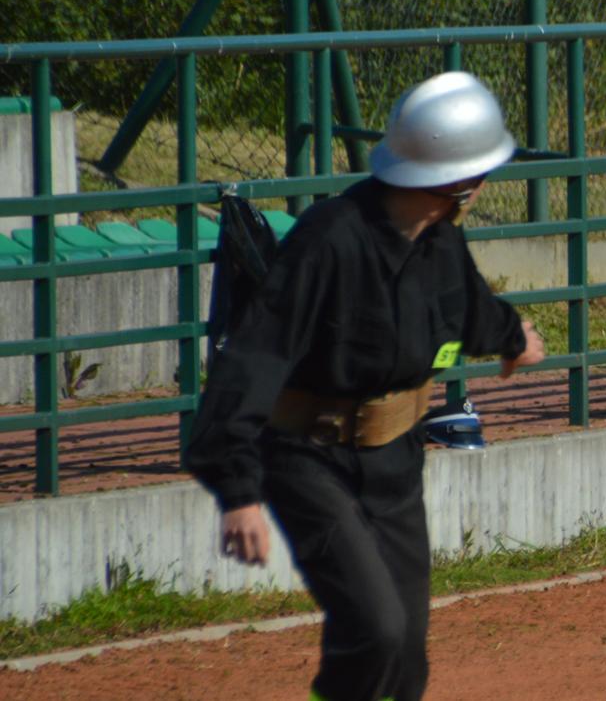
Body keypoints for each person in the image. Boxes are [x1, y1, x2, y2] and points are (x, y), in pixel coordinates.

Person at [183, 71, 546, 701]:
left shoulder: (439, 241)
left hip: (394, 461)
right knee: (374, 630)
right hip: (308, 461)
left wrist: (512, 338)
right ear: (461, 182)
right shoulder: (330, 240)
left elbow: (468, 308)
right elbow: (252, 360)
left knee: (405, 658)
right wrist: (239, 491)